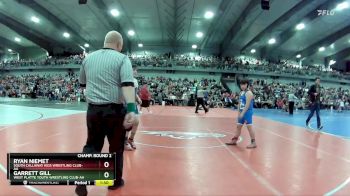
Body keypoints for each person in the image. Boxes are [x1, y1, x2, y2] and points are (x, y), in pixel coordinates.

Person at [75, 31, 138, 196]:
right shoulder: (122, 59)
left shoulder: (88, 59)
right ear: (119, 44)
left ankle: (82, 180)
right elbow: (127, 84)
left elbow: (82, 83)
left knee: (92, 145)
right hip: (115, 111)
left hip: (93, 110)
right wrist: (131, 109)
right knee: (116, 147)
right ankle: (114, 182)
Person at [226, 78, 256, 148]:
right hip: (242, 111)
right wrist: (239, 112)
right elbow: (239, 103)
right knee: (238, 126)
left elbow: (247, 105)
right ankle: (234, 140)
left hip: (247, 112)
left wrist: (242, 113)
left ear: (247, 85)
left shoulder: (249, 93)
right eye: (241, 84)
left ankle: (253, 142)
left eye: (244, 84)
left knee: (249, 127)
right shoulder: (241, 92)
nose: (242, 86)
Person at [125, 66, 141, 150]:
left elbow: (134, 93)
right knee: (128, 123)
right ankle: (125, 142)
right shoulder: (125, 79)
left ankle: (131, 139)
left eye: (136, 70)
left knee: (137, 122)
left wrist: (138, 98)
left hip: (132, 104)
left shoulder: (135, 81)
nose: (136, 72)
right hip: (126, 103)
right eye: (134, 70)